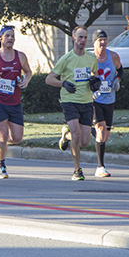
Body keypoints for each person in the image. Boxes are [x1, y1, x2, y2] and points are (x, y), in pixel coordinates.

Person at [45, 26, 100, 181]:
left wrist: (95, 82)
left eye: (85, 38)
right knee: (76, 134)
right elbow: (49, 79)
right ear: (73, 38)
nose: (82, 40)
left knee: (84, 140)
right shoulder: (66, 59)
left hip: (87, 101)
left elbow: (96, 75)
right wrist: (63, 84)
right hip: (69, 100)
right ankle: (77, 170)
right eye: (80, 37)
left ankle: (66, 136)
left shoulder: (91, 58)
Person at [0, 26, 32, 179]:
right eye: (7, 36)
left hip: (15, 102)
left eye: (12, 36)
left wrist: (26, 80)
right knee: (3, 136)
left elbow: (28, 72)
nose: (10, 38)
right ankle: (1, 167)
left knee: (17, 138)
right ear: (0, 39)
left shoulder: (21, 56)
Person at [91, 29, 122, 178]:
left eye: (104, 39)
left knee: (105, 134)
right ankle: (100, 167)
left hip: (109, 99)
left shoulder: (113, 56)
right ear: (94, 43)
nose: (102, 42)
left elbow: (120, 69)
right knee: (101, 130)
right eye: (99, 40)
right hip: (94, 99)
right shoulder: (90, 59)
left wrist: (117, 80)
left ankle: (72, 134)